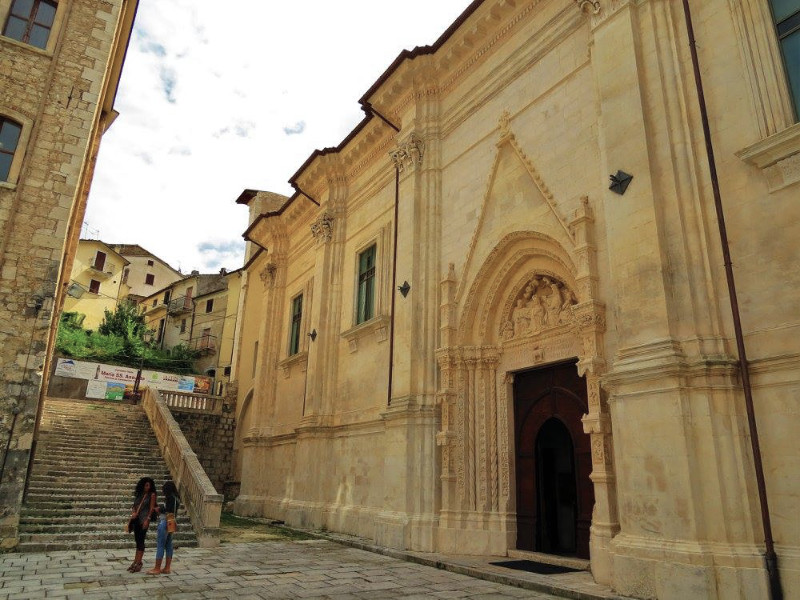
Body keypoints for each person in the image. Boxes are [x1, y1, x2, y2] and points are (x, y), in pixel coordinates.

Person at [147, 481, 180, 575]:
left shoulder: (170, 498)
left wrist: (159, 509)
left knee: (160, 545)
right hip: (172, 523)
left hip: (165, 522)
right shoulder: (177, 498)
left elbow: (168, 510)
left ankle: (157, 568)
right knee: (169, 545)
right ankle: (167, 568)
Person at [128, 477, 157, 573]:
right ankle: (135, 561)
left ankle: (139, 562)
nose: (148, 487)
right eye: (146, 485)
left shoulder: (152, 495)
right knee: (137, 540)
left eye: (149, 485)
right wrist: (133, 512)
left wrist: (147, 520)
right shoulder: (139, 494)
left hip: (144, 520)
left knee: (141, 540)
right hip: (136, 519)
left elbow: (151, 509)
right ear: (142, 485)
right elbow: (134, 505)